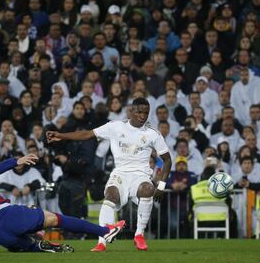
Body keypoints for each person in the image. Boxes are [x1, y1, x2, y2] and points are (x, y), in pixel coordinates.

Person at [0, 139, 125, 253]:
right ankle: (106, 231)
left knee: (30, 244)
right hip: (6, 216)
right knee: (55, 218)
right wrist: (16, 161)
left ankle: (38, 244)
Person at [47, 98, 172, 252]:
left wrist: (161, 186)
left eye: (146, 113)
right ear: (131, 111)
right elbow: (87, 134)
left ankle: (139, 235)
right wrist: (61, 135)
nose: (143, 116)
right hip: (120, 173)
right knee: (111, 195)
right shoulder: (115, 126)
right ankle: (101, 242)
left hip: (140, 175)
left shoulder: (153, 134)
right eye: (139, 112)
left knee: (147, 189)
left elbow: (167, 160)